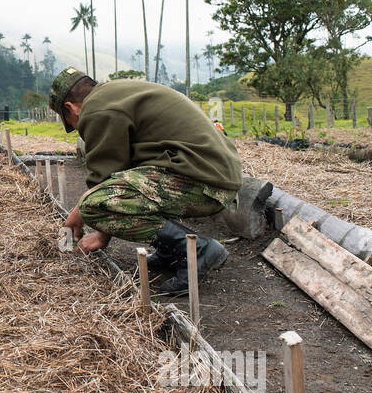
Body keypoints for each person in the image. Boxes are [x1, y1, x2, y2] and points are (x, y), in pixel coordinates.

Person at [50, 67, 241, 295]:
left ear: (70, 108)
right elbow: (124, 174)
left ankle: (198, 250)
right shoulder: (114, 94)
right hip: (210, 174)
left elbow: (103, 186)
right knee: (105, 197)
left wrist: (84, 219)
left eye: (71, 122)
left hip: (206, 181)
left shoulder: (96, 109)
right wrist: (100, 227)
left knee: (92, 205)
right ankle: (172, 251)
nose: (78, 128)